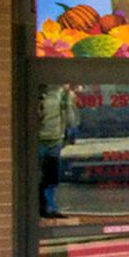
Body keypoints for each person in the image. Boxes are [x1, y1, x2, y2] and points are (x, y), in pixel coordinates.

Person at [38, 85, 79, 218]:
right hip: (41, 140)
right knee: (41, 176)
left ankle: (49, 207)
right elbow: (72, 119)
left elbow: (71, 118)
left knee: (51, 176)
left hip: (55, 140)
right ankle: (43, 207)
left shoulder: (63, 94)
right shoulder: (40, 93)